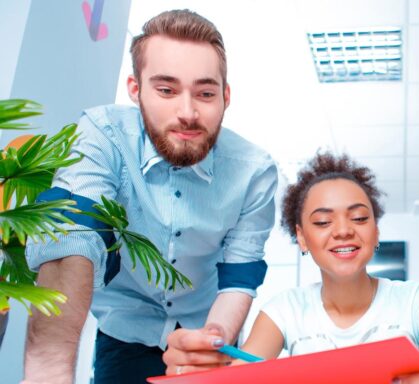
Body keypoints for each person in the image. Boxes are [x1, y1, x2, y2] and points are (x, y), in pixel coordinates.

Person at [23, 10, 278, 384]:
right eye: (166, 90)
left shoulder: (254, 171)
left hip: (207, 330)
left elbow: (239, 277)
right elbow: (73, 237)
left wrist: (209, 341)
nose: (187, 113)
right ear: (134, 88)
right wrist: (48, 373)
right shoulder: (101, 134)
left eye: (205, 93)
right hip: (124, 334)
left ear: (225, 96)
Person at [163, 152, 419, 383]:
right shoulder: (284, 311)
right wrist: (199, 365)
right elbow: (237, 375)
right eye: (323, 221)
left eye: (358, 218)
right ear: (302, 238)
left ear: (376, 231)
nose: (343, 230)